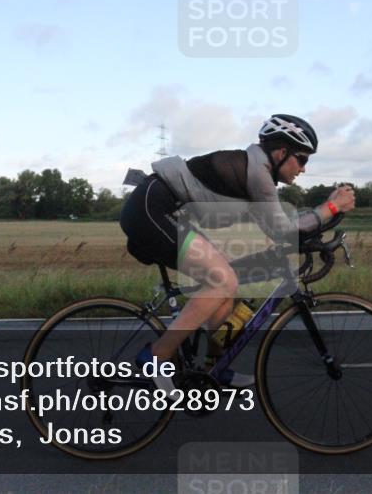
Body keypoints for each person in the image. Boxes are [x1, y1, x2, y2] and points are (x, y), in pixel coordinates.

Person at [120, 114, 356, 388]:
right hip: (152, 209)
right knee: (224, 279)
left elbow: (281, 223)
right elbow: (284, 231)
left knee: (225, 281)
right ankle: (156, 356)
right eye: (302, 159)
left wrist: (319, 220)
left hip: (166, 211)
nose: (302, 168)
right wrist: (330, 208)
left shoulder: (258, 169)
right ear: (282, 152)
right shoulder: (258, 173)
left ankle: (214, 368)